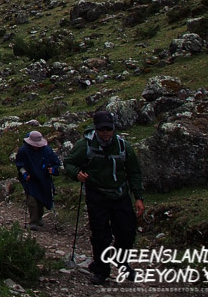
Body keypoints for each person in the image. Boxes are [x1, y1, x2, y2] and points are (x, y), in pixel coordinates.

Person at [64, 111, 145, 285]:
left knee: (127, 232)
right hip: (97, 195)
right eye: (102, 129)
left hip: (120, 194)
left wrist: (139, 197)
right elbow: (69, 162)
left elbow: (134, 172)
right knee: (100, 234)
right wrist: (76, 174)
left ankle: (120, 260)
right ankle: (101, 270)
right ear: (96, 128)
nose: (106, 133)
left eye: (109, 129)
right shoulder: (84, 145)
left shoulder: (123, 146)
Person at [15, 130, 62, 229]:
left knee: (42, 198)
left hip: (44, 178)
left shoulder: (47, 150)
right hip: (30, 179)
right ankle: (33, 221)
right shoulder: (24, 150)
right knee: (32, 199)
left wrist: (52, 169)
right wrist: (24, 173)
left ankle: (39, 217)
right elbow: (20, 164)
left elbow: (55, 162)